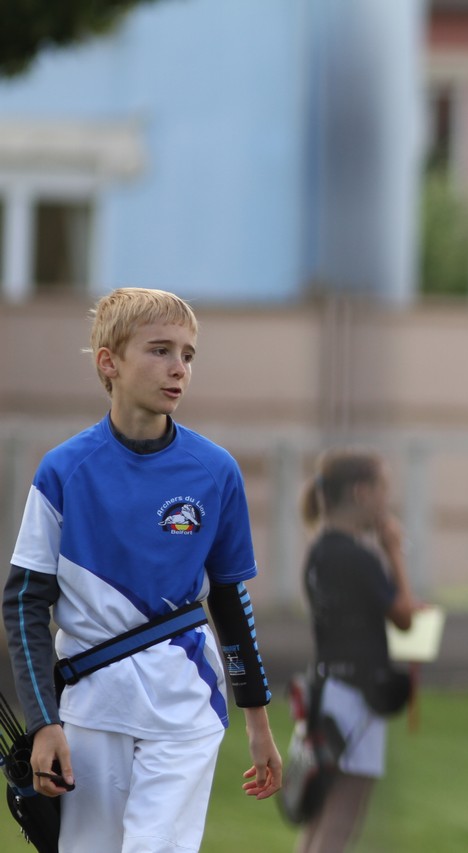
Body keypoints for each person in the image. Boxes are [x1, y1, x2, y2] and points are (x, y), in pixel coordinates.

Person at [2, 287, 283, 852]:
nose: (178, 368)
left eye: (187, 354)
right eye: (160, 350)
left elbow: (229, 599)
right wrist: (43, 723)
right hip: (89, 707)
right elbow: (24, 603)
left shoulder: (215, 471)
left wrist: (258, 722)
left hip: (185, 706)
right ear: (110, 361)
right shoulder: (63, 471)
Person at [295, 448, 419, 853]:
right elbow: (404, 615)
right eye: (384, 488)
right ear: (363, 492)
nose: (388, 499)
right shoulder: (357, 555)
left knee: (319, 818)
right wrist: (394, 549)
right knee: (341, 819)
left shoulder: (321, 550)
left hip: (327, 689)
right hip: (355, 697)